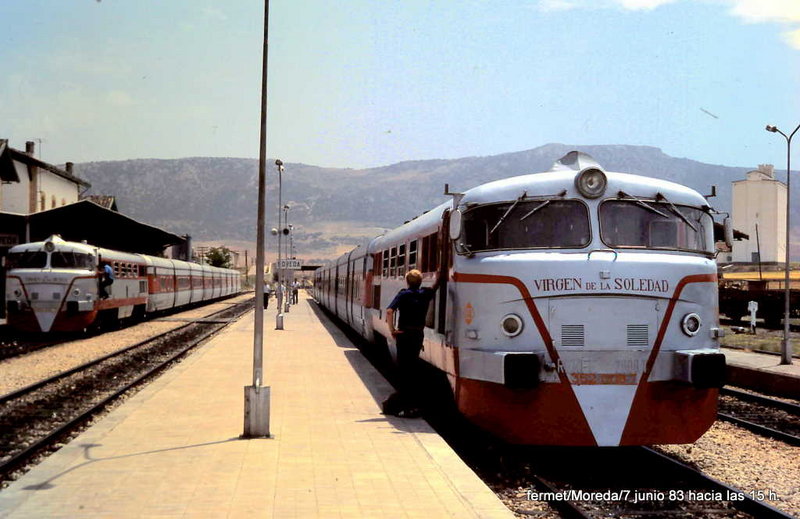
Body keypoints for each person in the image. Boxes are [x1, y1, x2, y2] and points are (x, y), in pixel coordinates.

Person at [384, 269, 440, 418]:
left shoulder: (403, 294)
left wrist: (392, 330)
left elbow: (389, 311)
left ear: (407, 281)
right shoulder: (426, 293)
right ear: (420, 281)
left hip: (404, 335)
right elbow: (436, 285)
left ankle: (403, 406)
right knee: (413, 368)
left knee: (404, 370)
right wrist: (441, 276)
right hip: (417, 335)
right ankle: (409, 405)